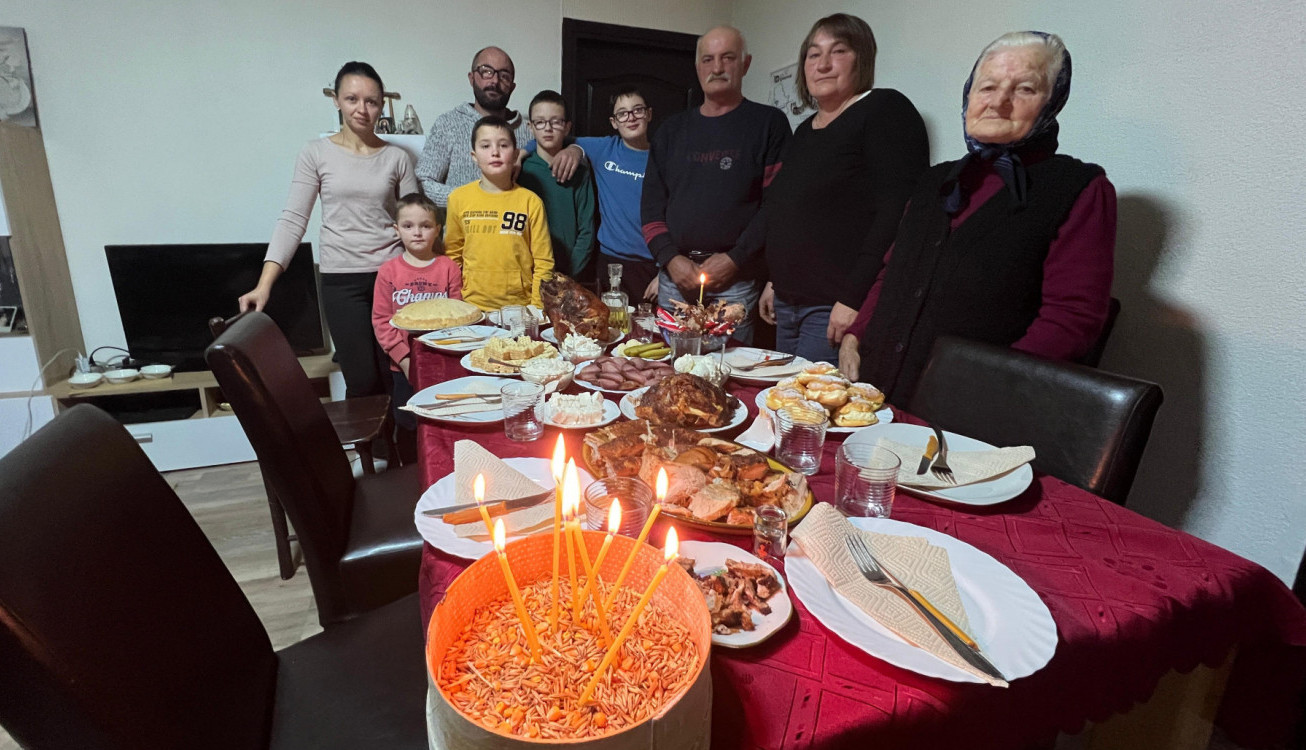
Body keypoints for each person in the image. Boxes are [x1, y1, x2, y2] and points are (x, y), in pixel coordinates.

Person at [838, 31, 1116, 405]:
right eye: (987, 87)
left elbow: (1072, 319)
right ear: (969, 94)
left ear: (1053, 102)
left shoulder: (1079, 188)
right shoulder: (935, 181)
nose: (999, 102)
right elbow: (893, 272)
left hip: (974, 411)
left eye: (1025, 90)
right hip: (876, 394)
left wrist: (983, 385)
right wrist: (856, 336)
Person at [240, 61, 417, 400]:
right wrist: (264, 285)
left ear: (382, 104)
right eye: (352, 99)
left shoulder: (397, 157)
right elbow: (293, 219)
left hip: (393, 279)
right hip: (342, 281)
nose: (362, 109)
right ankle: (373, 453)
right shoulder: (315, 153)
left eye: (371, 101)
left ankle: (404, 453)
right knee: (363, 380)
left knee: (398, 376)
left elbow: (413, 221)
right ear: (336, 100)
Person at [759, 14, 928, 364]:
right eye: (813, 54)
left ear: (862, 59)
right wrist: (775, 281)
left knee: (809, 412)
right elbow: (789, 210)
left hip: (833, 306)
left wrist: (854, 300)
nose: (822, 64)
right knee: (780, 408)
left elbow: (896, 214)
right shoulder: (805, 130)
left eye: (837, 52)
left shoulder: (884, 110)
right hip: (787, 303)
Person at [641, 26, 790, 345]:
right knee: (673, 377)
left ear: (746, 64)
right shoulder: (671, 131)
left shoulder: (769, 124)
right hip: (674, 280)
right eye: (708, 59)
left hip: (736, 281)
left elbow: (777, 206)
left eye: (728, 58)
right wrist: (670, 259)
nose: (717, 67)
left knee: (730, 375)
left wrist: (735, 258)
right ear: (697, 67)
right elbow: (651, 208)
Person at [371, 192, 462, 462]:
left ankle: (443, 466)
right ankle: (410, 472)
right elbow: (381, 321)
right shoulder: (389, 272)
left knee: (443, 416)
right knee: (408, 420)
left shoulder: (448, 268)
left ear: (437, 229)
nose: (417, 233)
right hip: (404, 367)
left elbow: (458, 317)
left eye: (425, 225)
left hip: (442, 362)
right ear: (397, 230)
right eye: (409, 226)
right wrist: (405, 358)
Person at [445, 116, 554, 310]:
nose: (495, 152)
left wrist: (536, 308)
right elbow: (452, 255)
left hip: (520, 309)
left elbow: (544, 262)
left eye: (503, 145)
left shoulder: (530, 202)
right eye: (485, 146)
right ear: (474, 155)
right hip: (471, 306)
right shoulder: (458, 198)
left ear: (515, 155)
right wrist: (456, 303)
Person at [416, 47, 531, 207]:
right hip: (461, 230)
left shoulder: (529, 130)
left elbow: (559, 146)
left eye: (504, 76)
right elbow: (423, 183)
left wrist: (576, 150)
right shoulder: (448, 124)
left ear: (512, 86)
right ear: (471, 78)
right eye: (486, 71)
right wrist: (471, 200)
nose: (494, 81)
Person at [515, 90, 596, 278]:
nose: (548, 128)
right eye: (540, 122)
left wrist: (569, 274)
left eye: (556, 121)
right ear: (530, 127)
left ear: (567, 127)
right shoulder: (520, 170)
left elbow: (587, 230)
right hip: (527, 274)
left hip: (568, 273)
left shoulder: (580, 172)